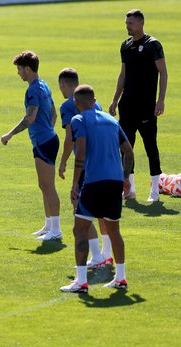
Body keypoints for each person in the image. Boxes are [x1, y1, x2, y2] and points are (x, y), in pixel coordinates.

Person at [60, 85, 134, 293]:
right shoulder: (112, 121)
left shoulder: (78, 120)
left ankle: (81, 281)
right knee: (114, 231)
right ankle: (120, 277)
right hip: (114, 183)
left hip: (94, 182)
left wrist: (75, 183)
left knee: (80, 229)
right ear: (94, 100)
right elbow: (128, 152)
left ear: (76, 103)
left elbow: (80, 152)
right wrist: (126, 178)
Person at [1, 50, 62, 241]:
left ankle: (56, 230)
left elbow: (30, 117)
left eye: (19, 69)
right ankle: (48, 225)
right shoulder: (43, 85)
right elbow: (53, 113)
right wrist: (47, 132)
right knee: (43, 185)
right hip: (47, 139)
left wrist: (10, 134)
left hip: (44, 142)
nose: (18, 72)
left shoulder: (33, 90)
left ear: (27, 69)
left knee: (48, 186)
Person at [108, 9, 168, 202]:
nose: (127, 26)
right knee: (126, 148)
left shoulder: (153, 45)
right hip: (127, 106)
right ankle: (129, 189)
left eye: (130, 23)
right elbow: (123, 74)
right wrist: (115, 99)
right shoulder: (125, 46)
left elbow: (163, 73)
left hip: (147, 106)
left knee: (151, 147)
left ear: (141, 23)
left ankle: (155, 192)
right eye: (126, 23)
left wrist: (160, 100)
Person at [57, 68, 113, 268]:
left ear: (64, 84)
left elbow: (70, 138)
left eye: (60, 86)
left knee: (80, 210)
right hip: (104, 163)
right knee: (102, 212)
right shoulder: (93, 101)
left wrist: (63, 161)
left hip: (87, 165)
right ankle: (107, 254)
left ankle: (96, 256)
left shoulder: (67, 106)